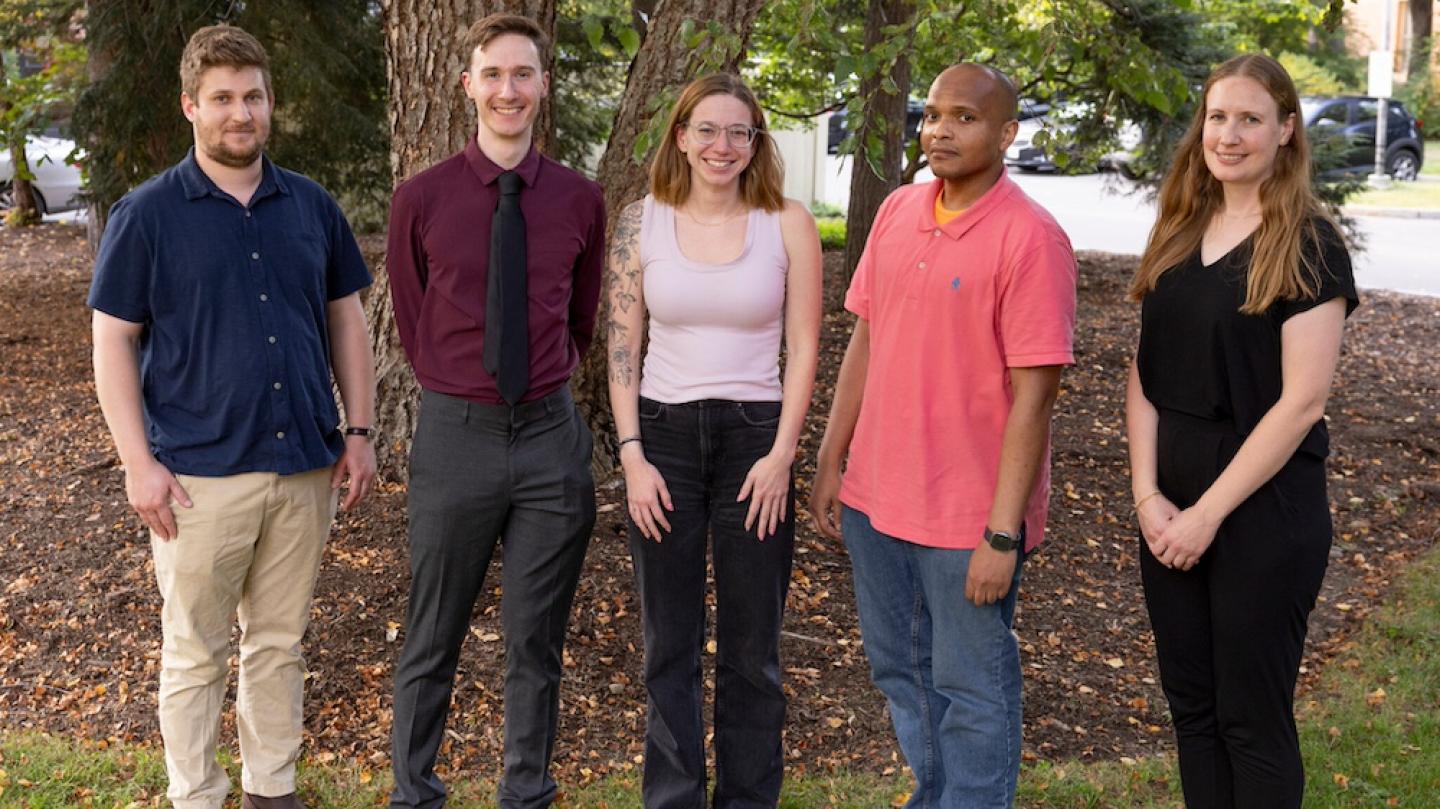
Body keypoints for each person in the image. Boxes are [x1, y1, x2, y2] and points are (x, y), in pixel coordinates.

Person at [88, 24, 377, 809]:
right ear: (191, 106)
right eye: (221, 98)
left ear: (270, 102)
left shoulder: (310, 205)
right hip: (195, 478)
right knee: (195, 653)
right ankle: (196, 794)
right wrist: (136, 462)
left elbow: (346, 318)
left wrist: (358, 431)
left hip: (303, 468)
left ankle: (270, 789)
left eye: (252, 96)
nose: (239, 113)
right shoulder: (146, 215)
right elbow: (112, 339)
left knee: (280, 645)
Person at [808, 63, 1077, 808]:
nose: (940, 130)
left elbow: (1037, 397)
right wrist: (833, 461)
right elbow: (866, 339)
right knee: (902, 674)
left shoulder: (1031, 238)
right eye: (932, 115)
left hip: (967, 519)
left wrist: (1002, 533)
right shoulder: (897, 210)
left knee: (972, 685)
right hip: (874, 501)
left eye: (964, 117)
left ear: (1006, 132)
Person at [385, 13, 606, 809]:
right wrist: (461, 386)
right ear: (468, 85)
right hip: (457, 436)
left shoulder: (581, 199)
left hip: (550, 440)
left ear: (543, 86)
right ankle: (415, 793)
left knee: (534, 640)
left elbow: (579, 319)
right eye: (494, 75)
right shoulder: (422, 198)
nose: (508, 90)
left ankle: (526, 792)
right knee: (432, 632)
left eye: (523, 74)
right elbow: (413, 319)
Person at [1125, 53, 1357, 809]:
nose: (1229, 134)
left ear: (1287, 130)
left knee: (1250, 719)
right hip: (1170, 506)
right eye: (1218, 117)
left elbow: (1301, 403)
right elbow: (1145, 373)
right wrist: (1147, 496)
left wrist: (1206, 515)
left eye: (1251, 118)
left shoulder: (1310, 245)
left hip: (1262, 510)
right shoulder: (1178, 230)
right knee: (1194, 712)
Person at [605, 73, 823, 808]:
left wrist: (782, 456)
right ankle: (673, 797)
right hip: (661, 438)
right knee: (668, 643)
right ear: (680, 135)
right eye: (707, 129)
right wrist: (631, 455)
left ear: (756, 142)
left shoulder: (786, 221)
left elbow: (804, 346)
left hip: (755, 442)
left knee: (751, 648)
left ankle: (748, 798)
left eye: (738, 132)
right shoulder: (642, 221)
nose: (721, 146)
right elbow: (620, 349)